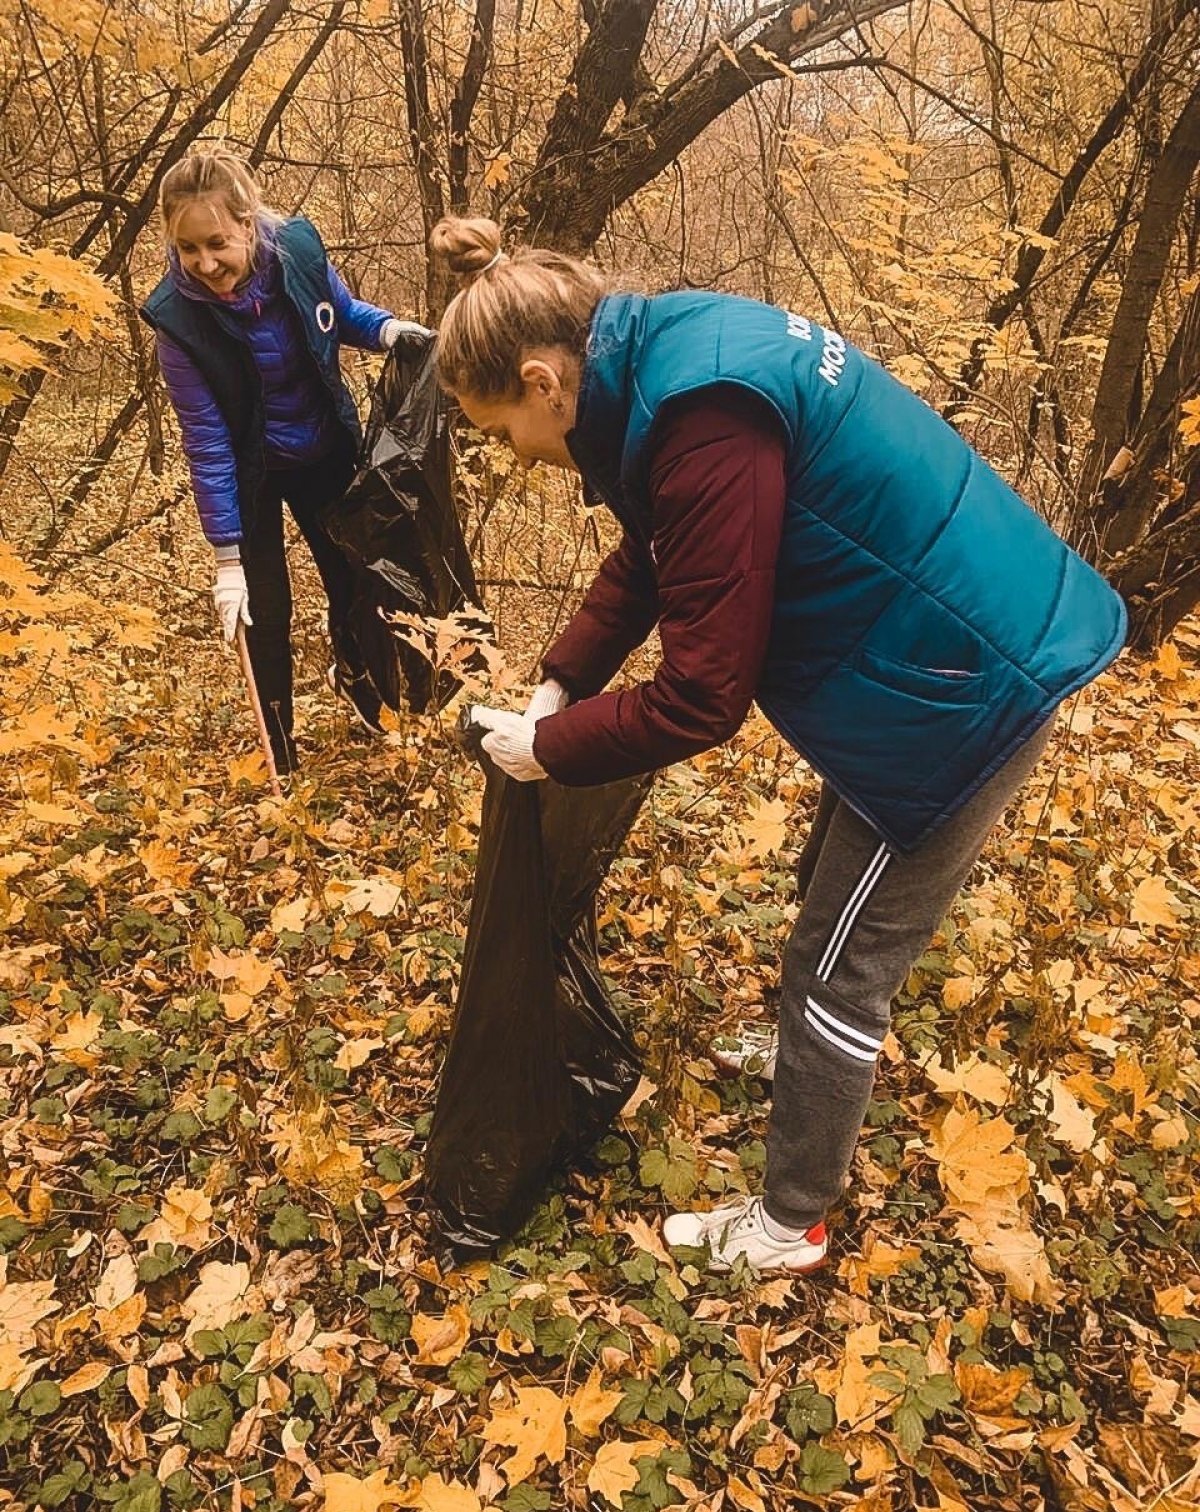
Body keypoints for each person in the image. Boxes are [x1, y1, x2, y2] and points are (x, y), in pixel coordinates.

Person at [431, 215, 1126, 1275]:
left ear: (541, 380)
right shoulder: (668, 348)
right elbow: (657, 550)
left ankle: (790, 1221)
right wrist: (565, 675)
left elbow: (704, 697)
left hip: (969, 682)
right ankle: (807, 1060)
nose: (513, 454)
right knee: (825, 901)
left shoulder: (700, 416)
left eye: (498, 430)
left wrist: (556, 747)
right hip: (938, 642)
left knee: (839, 967)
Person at [141, 146, 424, 774]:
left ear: (247, 222)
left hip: (326, 449)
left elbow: (341, 314)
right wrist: (226, 558)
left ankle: (362, 684)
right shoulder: (178, 322)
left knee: (357, 580)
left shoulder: (297, 251)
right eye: (189, 249)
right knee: (265, 612)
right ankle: (282, 756)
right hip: (252, 471)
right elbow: (206, 440)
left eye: (217, 242)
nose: (205, 263)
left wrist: (387, 331)